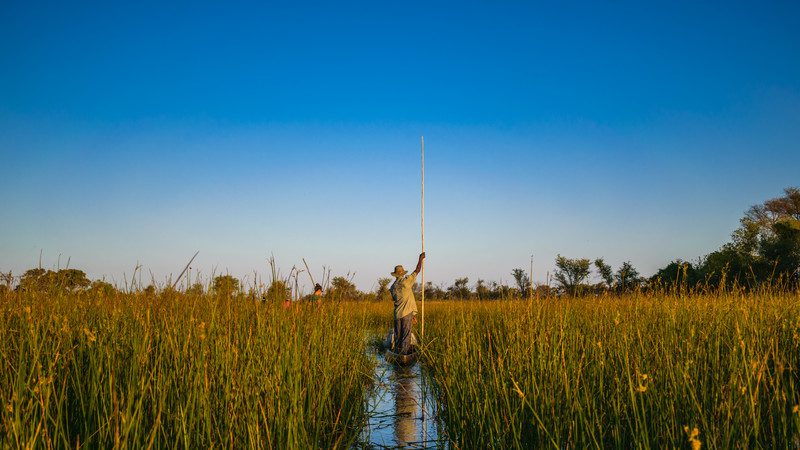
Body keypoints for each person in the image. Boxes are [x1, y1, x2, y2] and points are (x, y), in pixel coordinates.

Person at [389, 252, 425, 355]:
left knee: (398, 335)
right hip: (406, 313)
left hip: (397, 314)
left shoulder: (392, 287)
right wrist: (420, 259)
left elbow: (398, 300)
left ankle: (397, 352)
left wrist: (412, 314)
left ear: (396, 274)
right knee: (406, 335)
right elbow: (417, 270)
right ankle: (404, 356)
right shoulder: (406, 282)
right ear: (402, 273)